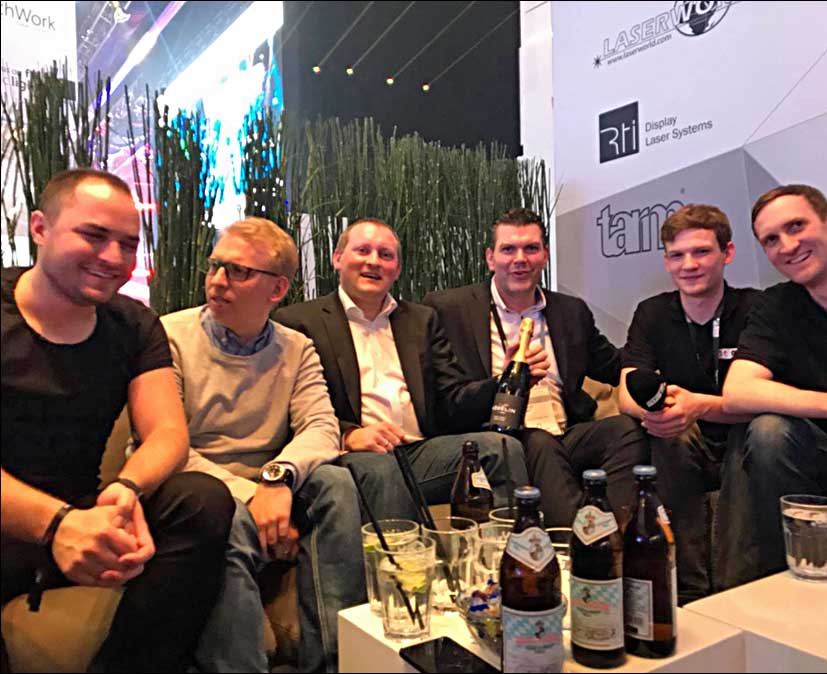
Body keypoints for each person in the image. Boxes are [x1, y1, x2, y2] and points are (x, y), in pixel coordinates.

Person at [1, 169, 234, 672]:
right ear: (40, 228)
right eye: (93, 235)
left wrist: (126, 489)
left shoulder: (132, 324)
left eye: (128, 244)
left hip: (88, 511)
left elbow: (168, 433)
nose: (113, 258)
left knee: (202, 500)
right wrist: (55, 524)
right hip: (13, 520)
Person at [159, 217, 364, 673]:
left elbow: (321, 426)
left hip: (274, 484)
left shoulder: (296, 348)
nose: (217, 281)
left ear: (277, 289)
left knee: (337, 484)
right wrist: (253, 496)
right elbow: (164, 446)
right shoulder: (169, 337)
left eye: (238, 271)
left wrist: (278, 479)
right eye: (215, 266)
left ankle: (334, 662)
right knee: (223, 513)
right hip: (200, 489)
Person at [274, 218, 529, 522]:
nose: (373, 261)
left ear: (396, 269)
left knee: (501, 448)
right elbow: (288, 411)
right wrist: (348, 435)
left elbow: (452, 402)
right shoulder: (300, 322)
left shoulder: (421, 320)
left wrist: (503, 379)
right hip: (352, 456)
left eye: (386, 255)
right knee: (382, 469)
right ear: (338, 258)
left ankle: (510, 546)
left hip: (419, 451)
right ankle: (411, 553)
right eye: (362, 250)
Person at [425, 207, 648, 528]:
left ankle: (616, 536)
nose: (520, 259)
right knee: (539, 443)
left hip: (565, 432)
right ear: (490, 258)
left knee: (624, 430)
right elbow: (449, 403)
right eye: (508, 249)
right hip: (499, 437)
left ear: (544, 255)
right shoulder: (449, 310)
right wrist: (505, 380)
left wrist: (653, 343)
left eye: (530, 248)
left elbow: (613, 366)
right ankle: (579, 541)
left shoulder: (570, 311)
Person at [720, 184, 827, 585]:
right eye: (771, 240)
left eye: (796, 226)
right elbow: (738, 390)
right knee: (768, 432)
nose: (788, 245)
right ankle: (782, 586)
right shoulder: (777, 306)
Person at [617, 204, 759, 604]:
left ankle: (735, 593)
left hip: (741, 433)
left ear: (727, 253)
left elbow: (773, 395)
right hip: (684, 438)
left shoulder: (756, 309)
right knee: (670, 434)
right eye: (677, 255)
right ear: (666, 262)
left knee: (752, 434)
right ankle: (687, 593)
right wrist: (656, 413)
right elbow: (625, 391)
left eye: (701, 252)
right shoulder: (652, 313)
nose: (689, 265)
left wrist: (699, 406)